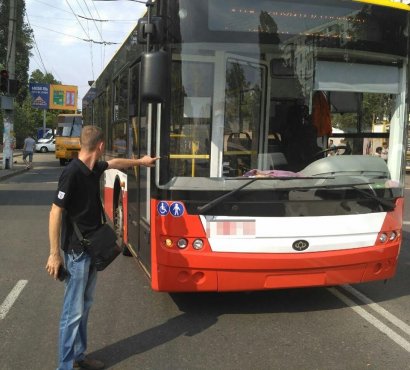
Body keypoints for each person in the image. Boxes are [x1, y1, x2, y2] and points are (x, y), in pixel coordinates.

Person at [45, 126, 158, 370]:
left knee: (84, 306)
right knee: (72, 312)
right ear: (101, 146)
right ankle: (64, 366)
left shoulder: (93, 167)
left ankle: (79, 356)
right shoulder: (72, 172)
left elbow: (115, 163)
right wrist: (55, 254)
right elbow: (55, 212)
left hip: (92, 247)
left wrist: (141, 161)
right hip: (76, 251)